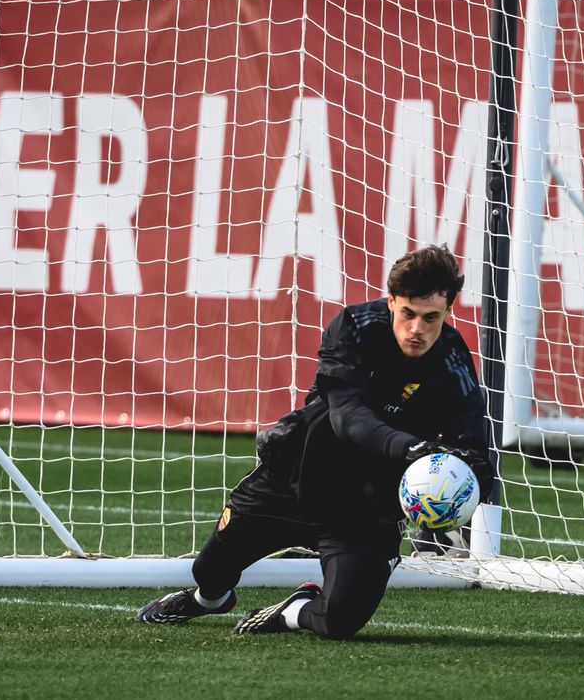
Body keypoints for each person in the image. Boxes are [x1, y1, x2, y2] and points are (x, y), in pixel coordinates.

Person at [136, 245, 493, 639]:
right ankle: (208, 600)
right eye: (408, 313)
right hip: (295, 479)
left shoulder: (452, 361)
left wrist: (458, 491)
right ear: (391, 301)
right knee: (209, 571)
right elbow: (348, 417)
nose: (417, 329)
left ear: (448, 312)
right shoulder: (354, 327)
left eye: (431, 318)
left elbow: (473, 439)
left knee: (340, 621)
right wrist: (412, 449)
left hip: (366, 509)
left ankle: (293, 609)